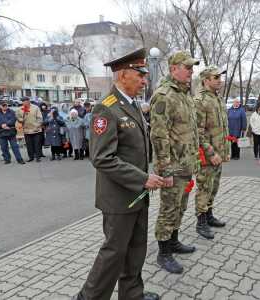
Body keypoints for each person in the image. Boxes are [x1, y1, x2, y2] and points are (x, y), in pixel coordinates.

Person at [73, 48, 163, 300]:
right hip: (119, 198)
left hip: (137, 193)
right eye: (141, 75)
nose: (145, 80)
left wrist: (149, 175)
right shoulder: (107, 108)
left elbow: (135, 150)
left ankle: (132, 294)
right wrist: (142, 178)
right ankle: (89, 298)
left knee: (136, 249)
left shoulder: (131, 105)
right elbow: (102, 158)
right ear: (124, 75)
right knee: (114, 252)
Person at [150, 51, 199, 274]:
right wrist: (166, 170)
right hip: (172, 167)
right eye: (187, 67)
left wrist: (195, 161)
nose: (191, 71)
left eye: (191, 68)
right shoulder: (164, 95)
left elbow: (191, 132)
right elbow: (159, 137)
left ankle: (174, 242)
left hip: (186, 164)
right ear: (173, 69)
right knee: (169, 209)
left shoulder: (185, 94)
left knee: (181, 206)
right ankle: (164, 253)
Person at [194, 65, 230, 240]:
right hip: (207, 156)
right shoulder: (200, 101)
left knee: (213, 187)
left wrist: (224, 152)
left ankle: (209, 215)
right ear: (206, 80)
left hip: (218, 154)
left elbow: (222, 128)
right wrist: (211, 153)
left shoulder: (217, 98)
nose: (219, 80)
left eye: (220, 77)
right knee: (204, 188)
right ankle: (201, 222)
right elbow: (198, 132)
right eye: (216, 77)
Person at [16, 96, 43, 162]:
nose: (23, 102)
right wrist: (21, 119)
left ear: (28, 101)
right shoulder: (20, 109)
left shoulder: (35, 108)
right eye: (22, 101)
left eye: (24, 101)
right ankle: (31, 157)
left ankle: (38, 157)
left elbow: (40, 118)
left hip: (36, 130)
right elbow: (18, 118)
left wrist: (37, 126)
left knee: (37, 144)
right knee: (29, 144)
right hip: (26, 130)